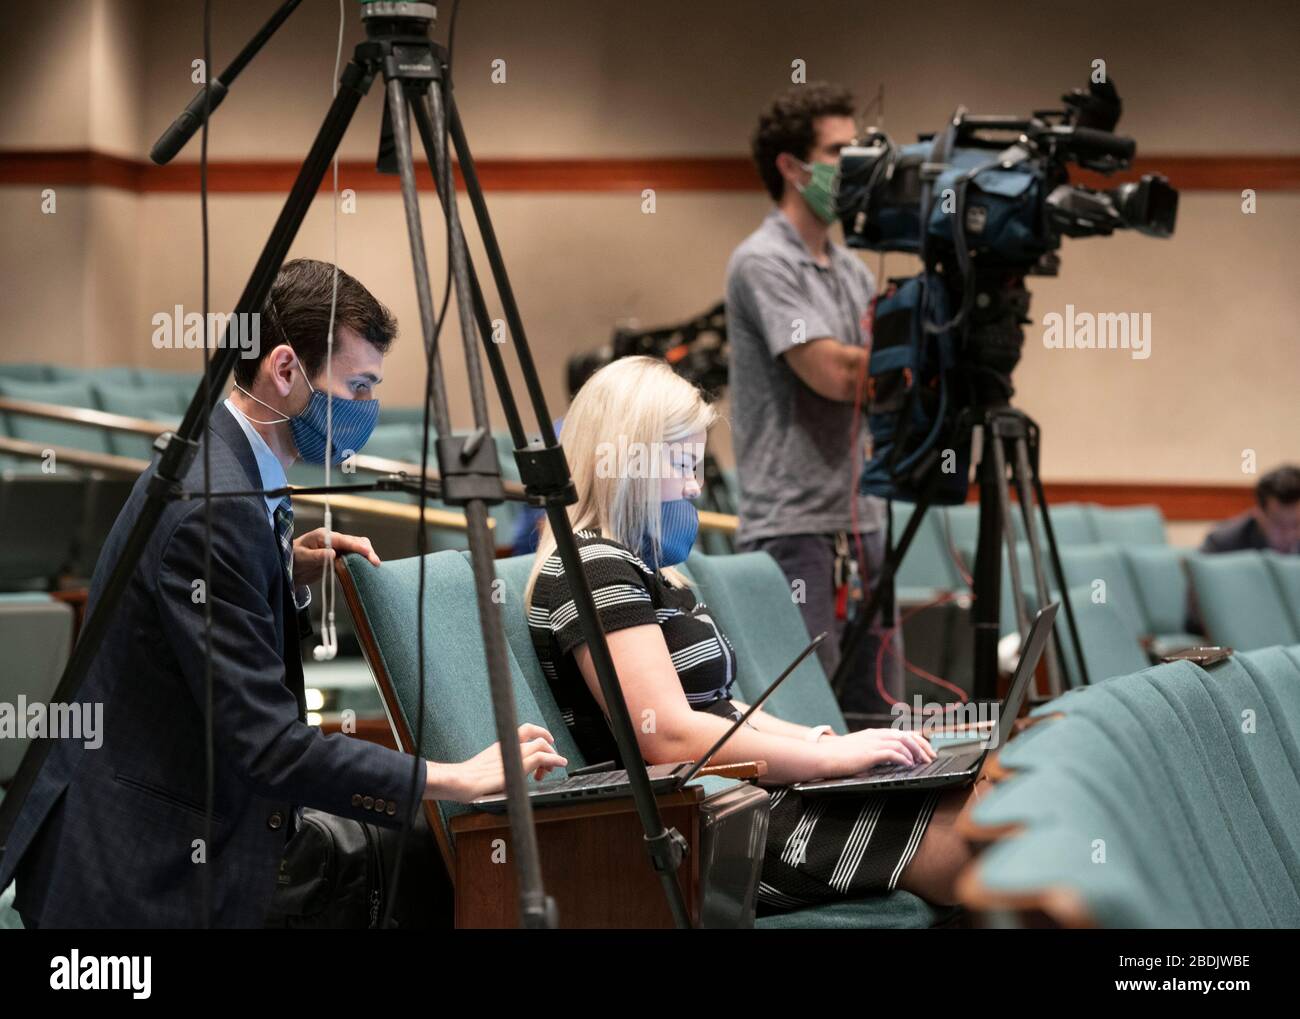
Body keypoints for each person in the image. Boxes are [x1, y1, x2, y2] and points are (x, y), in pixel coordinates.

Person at [0, 259, 565, 928]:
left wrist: (282, 569)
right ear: (286, 369)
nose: (364, 411)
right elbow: (268, 746)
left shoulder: (231, 462)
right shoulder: (215, 504)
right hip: (133, 876)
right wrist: (449, 777)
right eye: (356, 386)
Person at [525, 357, 985, 909]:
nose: (696, 487)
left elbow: (719, 708)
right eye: (682, 464)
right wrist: (828, 764)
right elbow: (667, 737)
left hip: (736, 793)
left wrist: (823, 744)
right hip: (702, 823)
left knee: (985, 797)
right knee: (979, 842)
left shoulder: (651, 571)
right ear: (628, 463)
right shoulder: (594, 566)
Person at [725, 82, 900, 715]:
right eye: (839, 152)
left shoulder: (852, 270)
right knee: (809, 723)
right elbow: (834, 373)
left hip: (863, 522)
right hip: (794, 527)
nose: (853, 166)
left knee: (879, 721)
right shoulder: (762, 262)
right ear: (792, 167)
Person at [1201, 464, 1300, 554]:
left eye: (1296, 524)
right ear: (1258, 513)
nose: (1290, 534)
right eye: (1280, 524)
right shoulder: (1222, 543)